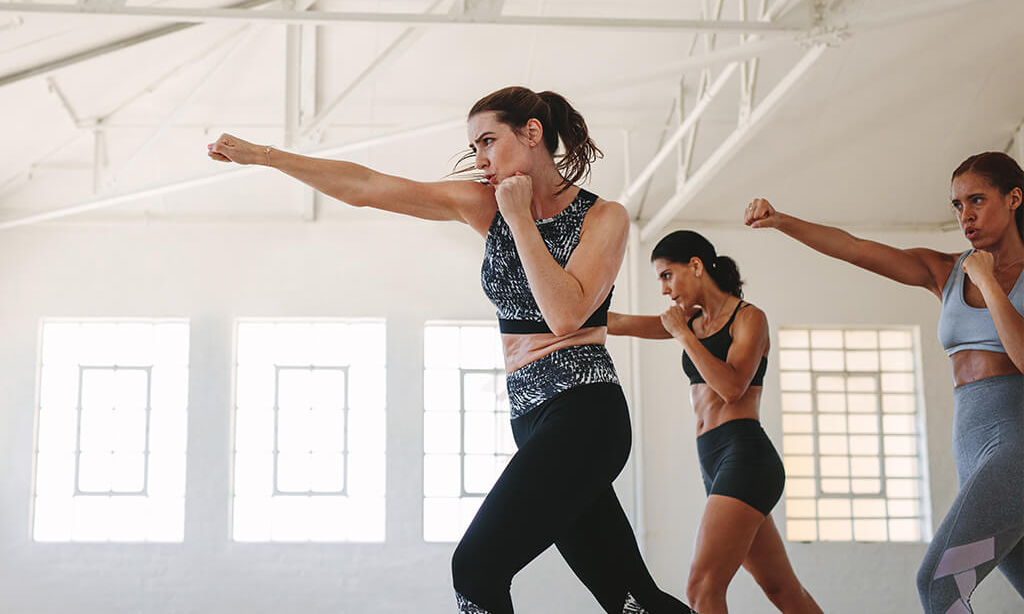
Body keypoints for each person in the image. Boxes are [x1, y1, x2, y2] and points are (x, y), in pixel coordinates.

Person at [208, 86, 692, 614]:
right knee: (633, 601)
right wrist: (266, 157)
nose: (480, 160)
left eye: (488, 141)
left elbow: (566, 315)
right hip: (532, 419)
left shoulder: (604, 217)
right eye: (475, 147)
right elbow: (368, 186)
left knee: (476, 569)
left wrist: (520, 219)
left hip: (586, 414)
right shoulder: (483, 204)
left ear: (532, 133)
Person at [744, 151, 1024, 613]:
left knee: (940, 584)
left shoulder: (985, 272)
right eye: (957, 205)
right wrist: (782, 221)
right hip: (973, 455)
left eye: (977, 200)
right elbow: (855, 248)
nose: (965, 216)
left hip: (1014, 449)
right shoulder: (945, 271)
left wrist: (990, 282)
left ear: (1014, 198)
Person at [608, 231, 822, 614]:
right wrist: (555, 314)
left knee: (702, 587)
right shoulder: (690, 321)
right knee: (783, 590)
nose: (663, 289)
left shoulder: (749, 317)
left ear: (695, 266)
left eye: (666, 275)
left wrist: (683, 336)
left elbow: (732, 387)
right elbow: (619, 321)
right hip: (714, 462)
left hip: (746, 458)